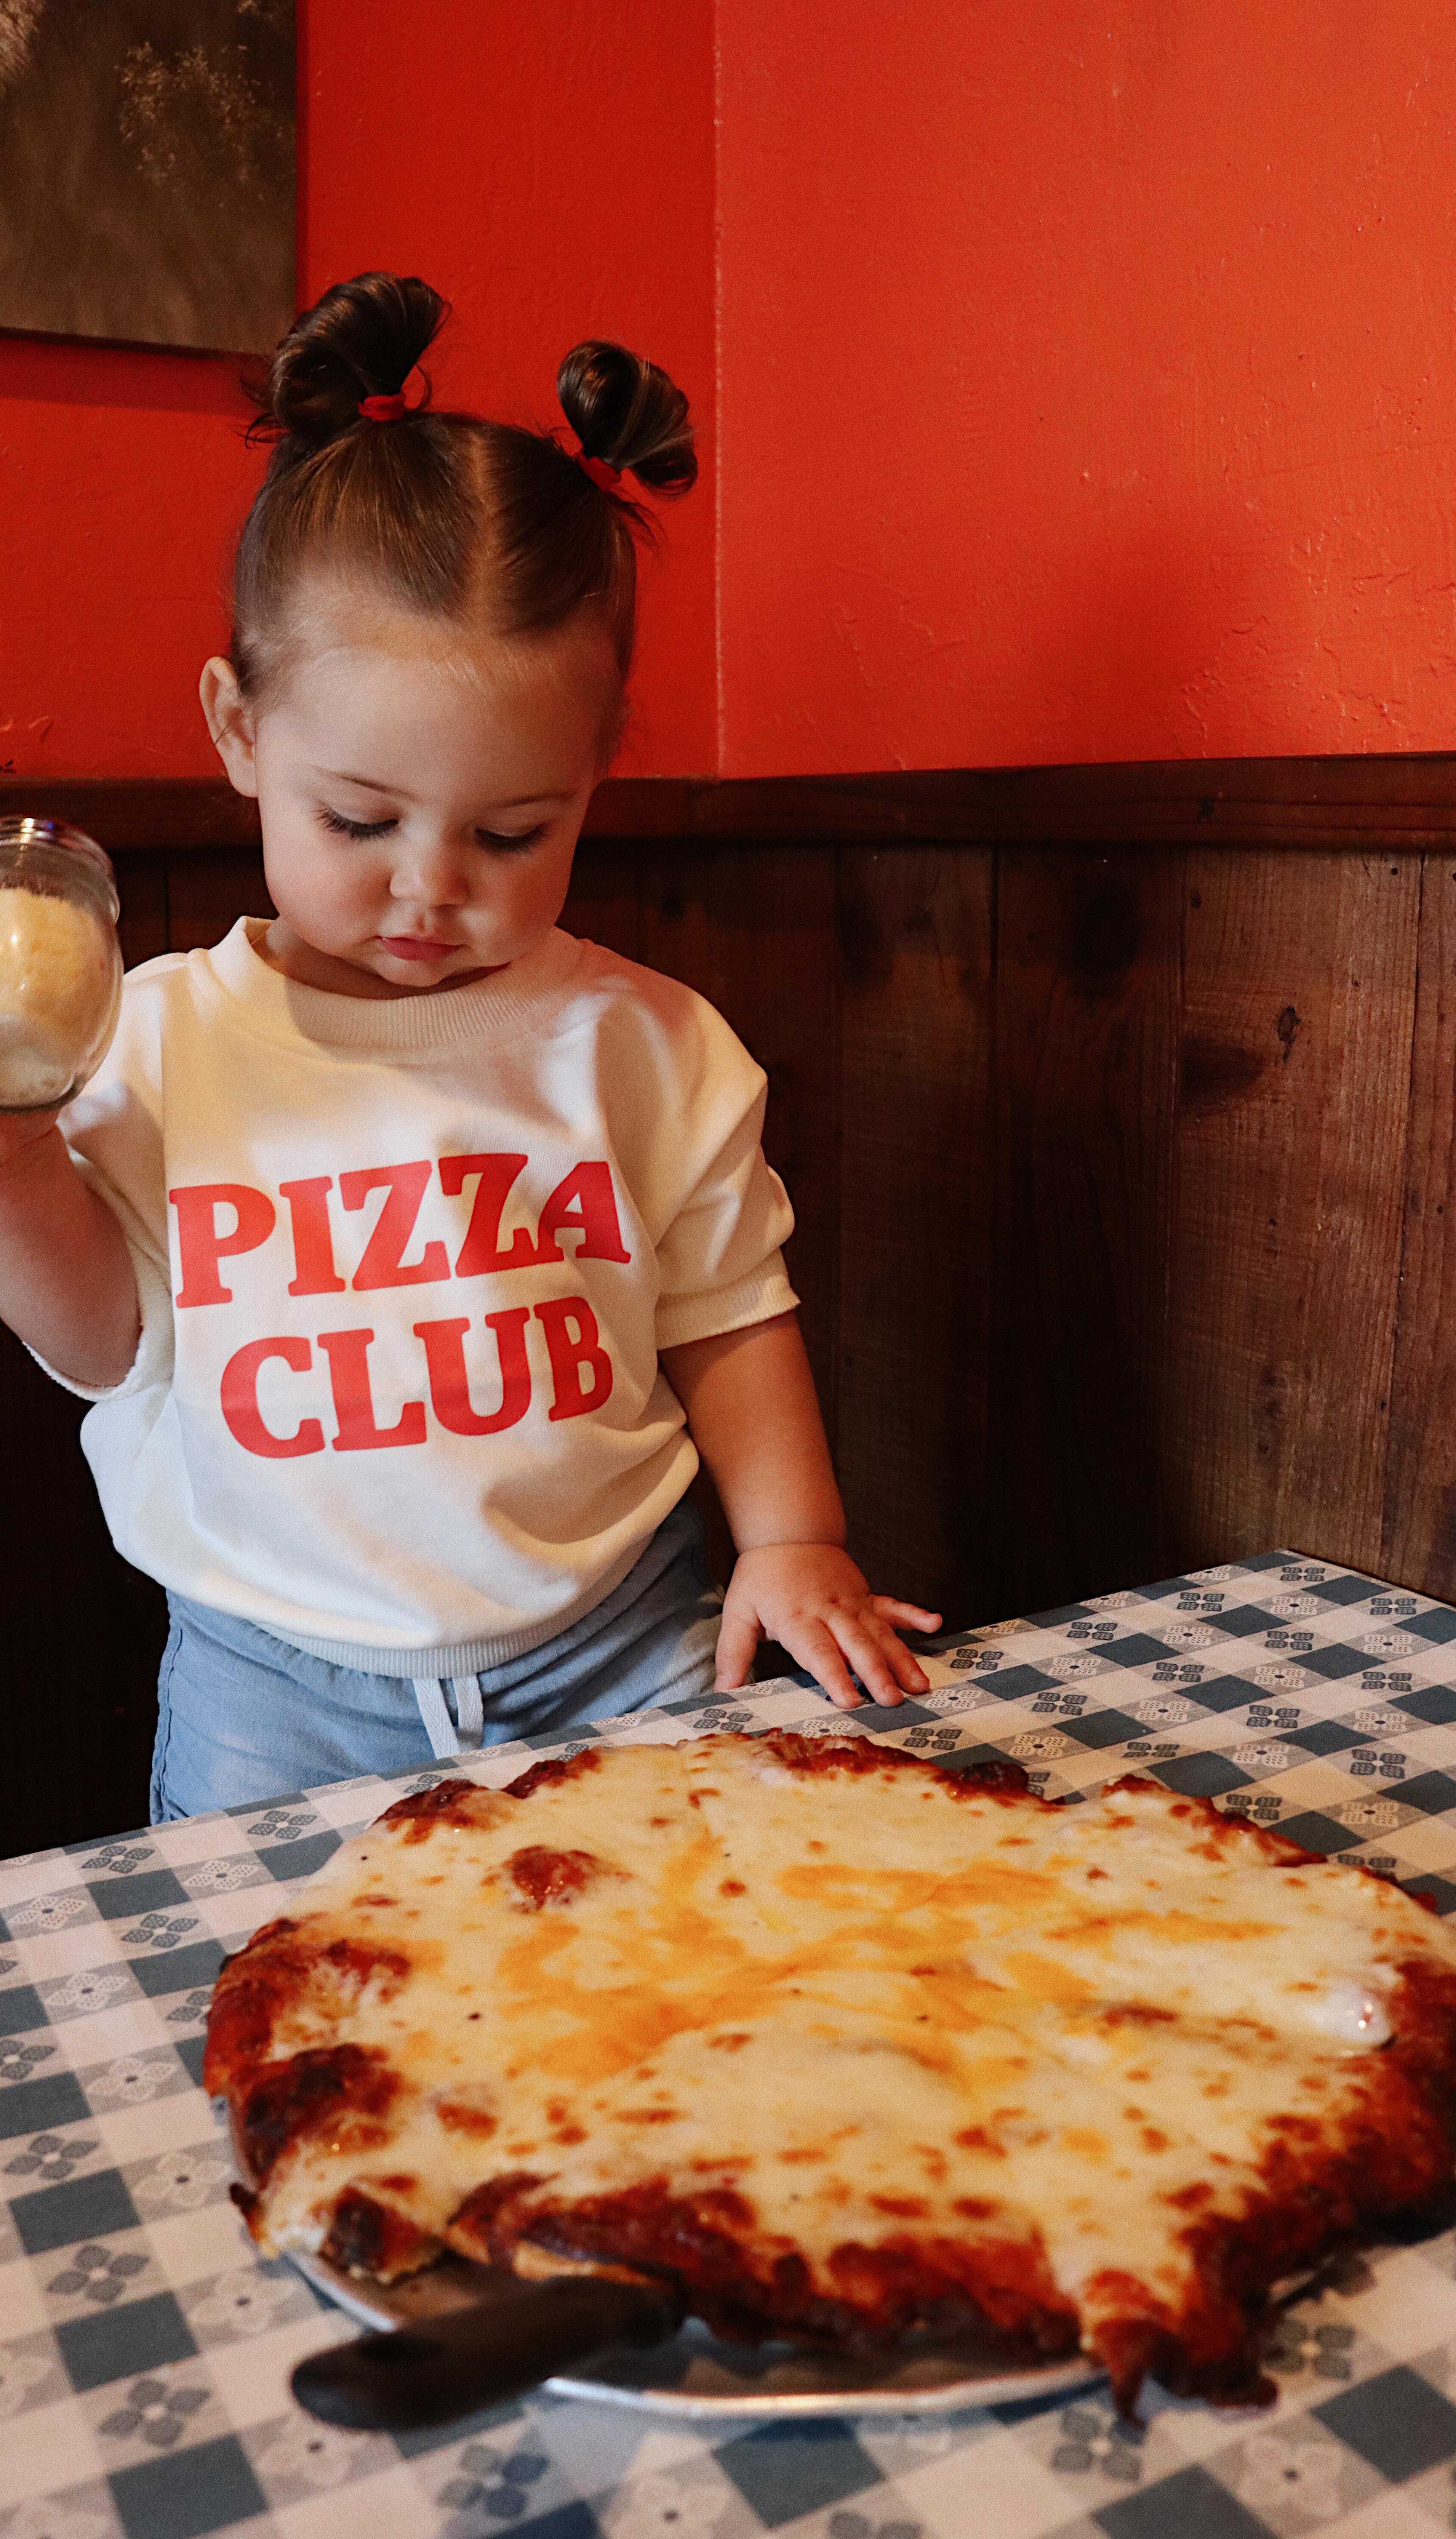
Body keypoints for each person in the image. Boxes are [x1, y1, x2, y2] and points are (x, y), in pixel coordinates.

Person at [0, 272, 940, 1817]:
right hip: (276, 1681)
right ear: (240, 734)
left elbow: (727, 1317)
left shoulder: (642, 1045)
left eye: (513, 831)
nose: (428, 887)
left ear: (593, 773)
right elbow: (109, 1345)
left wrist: (790, 1536)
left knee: (676, 1967)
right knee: (268, 2010)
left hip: (620, 1637)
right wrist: (23, 1149)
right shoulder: (158, 1036)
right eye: (359, 819)